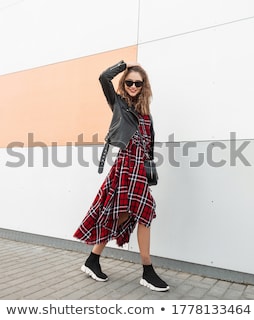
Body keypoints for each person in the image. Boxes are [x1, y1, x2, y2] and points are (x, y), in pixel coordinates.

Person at [73, 60, 169, 292]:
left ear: (144, 85)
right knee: (141, 212)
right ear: (123, 84)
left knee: (125, 215)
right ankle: (147, 270)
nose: (133, 86)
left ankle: (93, 259)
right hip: (126, 166)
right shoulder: (118, 103)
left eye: (138, 82)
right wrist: (124, 66)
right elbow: (103, 77)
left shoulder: (146, 113)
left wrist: (149, 170)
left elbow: (149, 145)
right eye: (129, 82)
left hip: (140, 169)